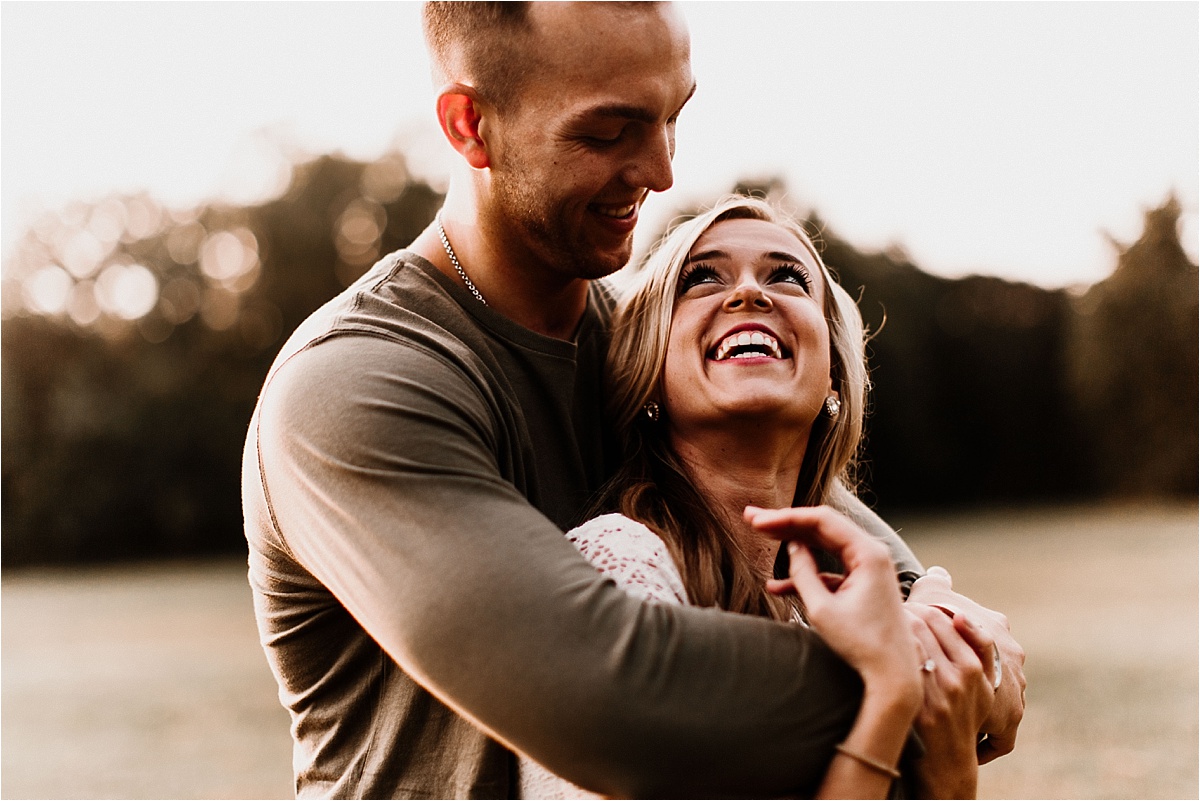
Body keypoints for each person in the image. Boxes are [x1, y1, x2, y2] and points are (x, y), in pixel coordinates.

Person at [242, 2, 1025, 797]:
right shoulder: (354, 385)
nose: (662, 172)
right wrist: (917, 673)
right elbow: (618, 696)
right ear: (469, 125)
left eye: (672, 117)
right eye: (609, 132)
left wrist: (953, 628)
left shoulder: (651, 357)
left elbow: (852, 544)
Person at [517, 195, 997, 799]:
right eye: (702, 278)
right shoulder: (618, 570)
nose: (748, 293)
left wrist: (950, 768)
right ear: (648, 370)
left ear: (835, 380)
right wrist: (892, 697)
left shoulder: (831, 614)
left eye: (786, 276)